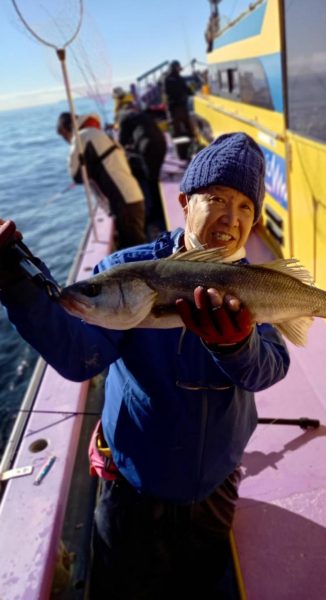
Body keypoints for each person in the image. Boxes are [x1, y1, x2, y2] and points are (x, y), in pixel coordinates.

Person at [0, 132, 290, 599]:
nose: (230, 218)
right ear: (183, 201)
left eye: (244, 207)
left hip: (217, 476)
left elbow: (270, 369)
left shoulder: (254, 283)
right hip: (136, 479)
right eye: (215, 198)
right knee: (124, 581)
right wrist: (17, 284)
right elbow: (81, 355)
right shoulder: (127, 271)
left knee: (201, 575)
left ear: (255, 221)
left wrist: (239, 345)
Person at [56, 112, 146, 249]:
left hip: (124, 202)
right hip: (131, 197)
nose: (66, 140)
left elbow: (75, 175)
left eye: (63, 136)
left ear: (64, 128)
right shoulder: (96, 132)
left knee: (135, 250)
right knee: (137, 244)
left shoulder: (82, 136)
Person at [117, 102, 168, 240]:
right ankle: (160, 208)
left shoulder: (124, 118)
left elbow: (121, 141)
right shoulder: (140, 114)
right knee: (155, 177)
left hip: (148, 146)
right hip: (161, 143)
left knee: (151, 180)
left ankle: (157, 212)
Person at [164, 59, 195, 140]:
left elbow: (186, 89)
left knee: (179, 130)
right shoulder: (175, 78)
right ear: (175, 68)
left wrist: (190, 92)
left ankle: (185, 145)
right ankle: (189, 143)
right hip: (177, 107)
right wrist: (191, 92)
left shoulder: (169, 78)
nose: (179, 68)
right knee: (184, 129)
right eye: (178, 67)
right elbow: (185, 89)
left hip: (177, 107)